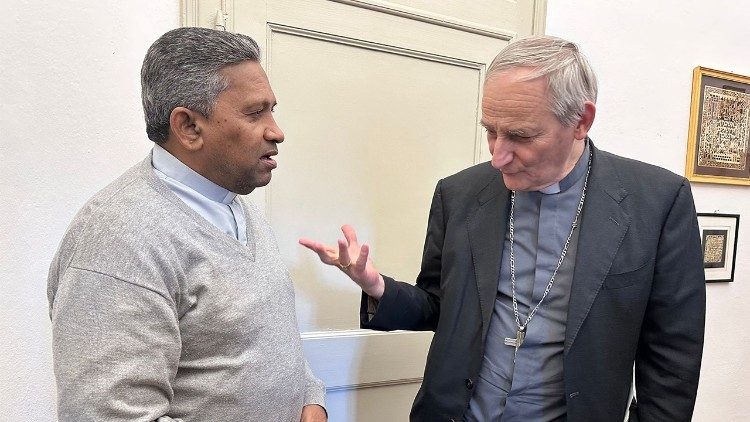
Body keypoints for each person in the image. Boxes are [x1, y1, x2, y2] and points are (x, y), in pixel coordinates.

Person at [300, 35, 705, 421]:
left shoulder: (657, 202)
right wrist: (377, 288)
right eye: (490, 131)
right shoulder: (458, 193)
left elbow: (672, 359)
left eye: (520, 136)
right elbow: (440, 306)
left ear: (581, 120)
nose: (498, 156)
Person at [47, 27, 326, 422]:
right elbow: (108, 415)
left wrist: (310, 398)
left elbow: (267, 339)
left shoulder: (237, 206)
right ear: (189, 127)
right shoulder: (119, 238)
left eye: (272, 110)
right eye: (254, 113)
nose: (276, 131)